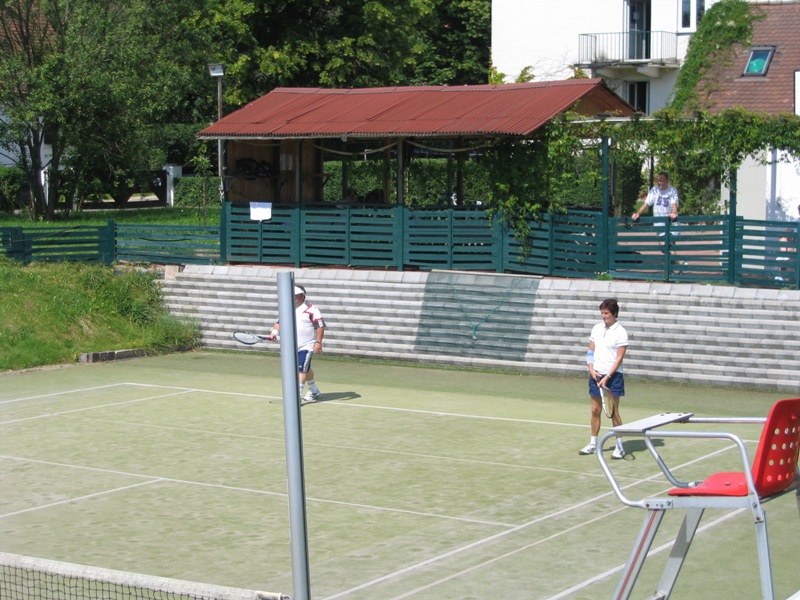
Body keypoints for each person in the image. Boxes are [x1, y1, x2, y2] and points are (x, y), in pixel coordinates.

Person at [579, 298, 628, 460]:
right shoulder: (597, 328)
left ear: (614, 314)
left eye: (606, 313)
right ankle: (593, 443)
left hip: (613, 377)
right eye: (602, 313)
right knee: (595, 410)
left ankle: (619, 446)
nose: (603, 316)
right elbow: (590, 351)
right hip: (596, 374)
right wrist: (591, 369)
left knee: (613, 412)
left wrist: (607, 377)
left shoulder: (621, 332)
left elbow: (619, 359)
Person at [268, 285, 326, 402]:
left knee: (301, 369)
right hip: (291, 345)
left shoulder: (312, 309)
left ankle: (296, 396)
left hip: (307, 345)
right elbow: (279, 323)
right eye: (292, 295)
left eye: (296, 295)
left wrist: (318, 342)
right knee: (305, 367)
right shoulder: (287, 308)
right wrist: (274, 333)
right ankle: (314, 390)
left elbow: (320, 326)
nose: (293, 297)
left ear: (302, 296)